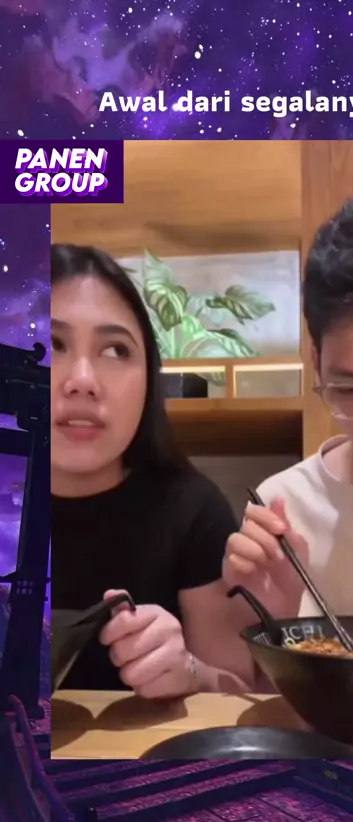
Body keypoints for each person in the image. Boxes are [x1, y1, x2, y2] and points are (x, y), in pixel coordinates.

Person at [51, 244, 254, 697]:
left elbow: (241, 690)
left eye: (115, 350)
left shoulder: (191, 511)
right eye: (51, 344)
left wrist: (190, 672)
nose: (82, 380)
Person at [223, 184, 353, 622]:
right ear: (317, 365)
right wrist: (273, 620)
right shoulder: (282, 508)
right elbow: (254, 666)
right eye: (350, 389)